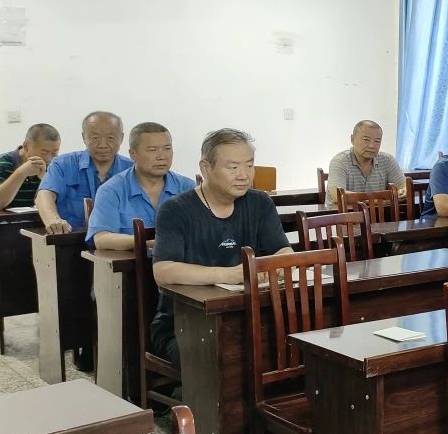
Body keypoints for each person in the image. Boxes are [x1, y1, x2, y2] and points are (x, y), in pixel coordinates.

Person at [150, 129, 292, 370]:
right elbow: (163, 271)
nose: (244, 175)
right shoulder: (175, 209)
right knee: (228, 359)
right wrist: (229, 275)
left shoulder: (260, 203)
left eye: (249, 166)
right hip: (186, 324)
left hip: (249, 316)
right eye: (233, 167)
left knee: (291, 346)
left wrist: (276, 266)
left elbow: (283, 252)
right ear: (205, 168)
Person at [0, 123, 62, 313]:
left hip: (38, 229)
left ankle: (54, 313)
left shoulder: (55, 166)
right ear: (26, 146)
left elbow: (59, 205)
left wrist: (46, 179)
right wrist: (22, 172)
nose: (49, 158)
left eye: (54, 153)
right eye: (44, 152)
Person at [86, 122, 195, 250]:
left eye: (167, 148)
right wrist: (148, 242)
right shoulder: (111, 190)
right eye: (152, 150)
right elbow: (102, 239)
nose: (162, 157)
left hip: (182, 260)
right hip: (131, 261)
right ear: (133, 154)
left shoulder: (187, 187)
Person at [35, 111, 132, 233]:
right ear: (84, 137)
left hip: (119, 240)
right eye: (95, 138)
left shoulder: (132, 169)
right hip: (71, 238)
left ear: (121, 138)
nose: (103, 145)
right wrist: (53, 220)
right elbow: (44, 195)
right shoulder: (63, 164)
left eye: (110, 138)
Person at [325, 120, 406, 208]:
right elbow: (337, 195)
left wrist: (403, 192)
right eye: (366, 140)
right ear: (352, 139)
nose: (372, 146)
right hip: (344, 215)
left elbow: (404, 187)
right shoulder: (340, 161)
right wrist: (376, 200)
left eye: (377, 141)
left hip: (377, 214)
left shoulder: (387, 160)